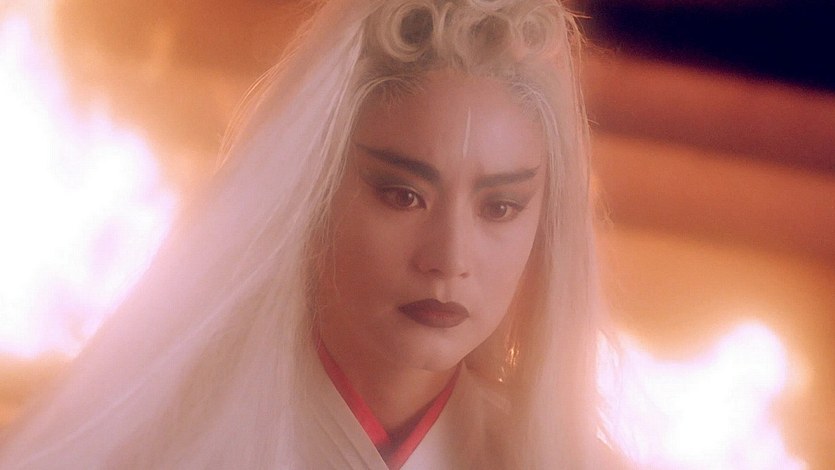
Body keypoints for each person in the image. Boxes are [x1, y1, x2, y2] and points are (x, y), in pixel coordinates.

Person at [0, 0, 620, 468]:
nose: (449, 258)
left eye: (501, 208)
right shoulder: (149, 444)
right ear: (314, 190)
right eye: (402, 195)